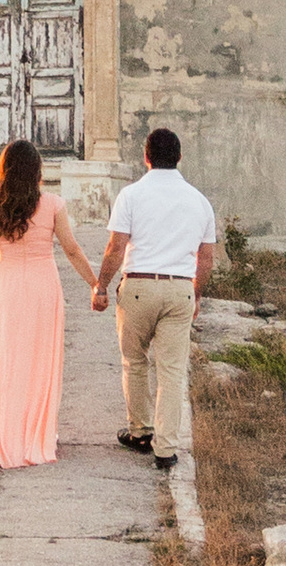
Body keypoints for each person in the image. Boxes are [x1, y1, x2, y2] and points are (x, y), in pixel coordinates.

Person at [0, 136, 99, 470]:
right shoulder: (54, 204)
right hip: (43, 288)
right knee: (38, 360)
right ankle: (34, 434)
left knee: (5, 359)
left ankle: (4, 431)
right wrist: (95, 283)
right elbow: (71, 249)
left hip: (8, 286)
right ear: (37, 170)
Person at [89, 126, 218, 473]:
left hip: (139, 286)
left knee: (135, 362)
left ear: (145, 156)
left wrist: (101, 286)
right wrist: (197, 292)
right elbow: (205, 258)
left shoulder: (131, 195)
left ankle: (140, 431)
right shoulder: (199, 201)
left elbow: (116, 247)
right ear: (179, 157)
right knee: (173, 372)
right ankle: (166, 449)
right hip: (179, 289)